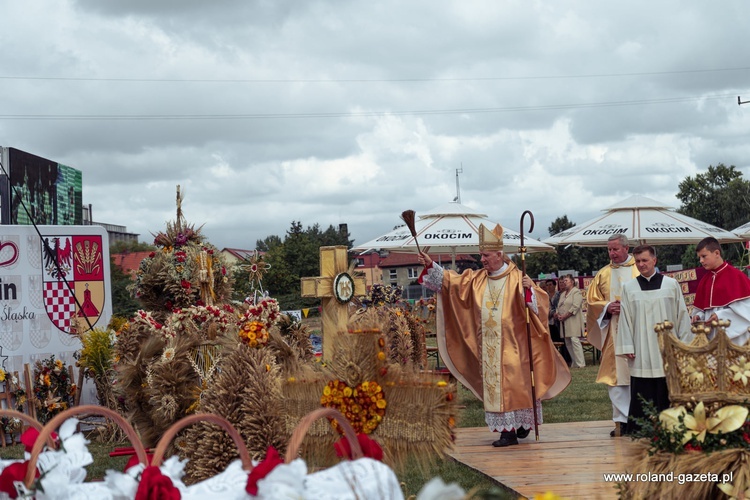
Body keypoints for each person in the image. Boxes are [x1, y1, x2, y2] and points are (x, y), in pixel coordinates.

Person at [417, 224, 570, 447]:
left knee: (518, 385)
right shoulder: (476, 279)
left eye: (486, 255)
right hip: (488, 347)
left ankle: (522, 425)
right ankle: (507, 432)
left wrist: (530, 291)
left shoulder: (519, 278)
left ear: (499, 255)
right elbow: (452, 283)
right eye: (481, 255)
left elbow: (539, 307)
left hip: (515, 346)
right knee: (497, 387)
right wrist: (431, 265)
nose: (482, 259)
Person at [614, 245, 692, 431]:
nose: (641, 265)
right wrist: (627, 346)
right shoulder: (629, 287)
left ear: (654, 261)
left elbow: (681, 315)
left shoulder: (671, 285)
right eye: (638, 261)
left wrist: (685, 345)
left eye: (645, 260)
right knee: (642, 386)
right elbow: (625, 319)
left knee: (667, 384)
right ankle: (642, 427)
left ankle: (672, 425)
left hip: (668, 346)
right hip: (641, 347)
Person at [586, 233, 639, 437]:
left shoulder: (639, 268)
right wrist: (607, 307)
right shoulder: (603, 274)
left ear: (626, 249)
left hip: (637, 331)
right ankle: (621, 421)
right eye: (609, 249)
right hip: (614, 332)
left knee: (638, 375)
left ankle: (639, 419)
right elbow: (592, 302)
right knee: (615, 377)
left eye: (615, 249)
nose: (612, 253)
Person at [691, 237, 750, 346]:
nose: (701, 261)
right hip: (713, 338)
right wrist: (699, 316)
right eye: (699, 257)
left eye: (704, 256)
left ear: (717, 253)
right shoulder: (704, 281)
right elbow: (705, 310)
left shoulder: (736, 276)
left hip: (735, 339)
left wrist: (720, 315)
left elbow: (746, 312)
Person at [556, 275, 586, 369]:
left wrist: (565, 315)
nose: (564, 282)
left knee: (574, 340)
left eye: (566, 280)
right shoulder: (562, 294)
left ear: (572, 282)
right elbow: (559, 306)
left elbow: (575, 306)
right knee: (568, 341)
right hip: (564, 321)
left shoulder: (576, 292)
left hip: (573, 320)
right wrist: (558, 314)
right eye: (563, 281)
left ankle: (581, 363)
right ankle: (574, 362)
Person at [547, 279, 572, 366]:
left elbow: (559, 305)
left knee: (563, 341)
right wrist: (551, 313)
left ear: (554, 286)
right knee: (553, 342)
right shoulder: (545, 295)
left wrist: (556, 313)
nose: (548, 287)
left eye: (550, 285)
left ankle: (566, 359)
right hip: (550, 321)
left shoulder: (558, 295)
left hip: (558, 320)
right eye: (547, 285)